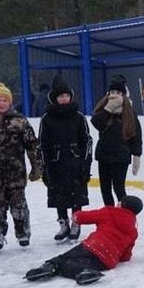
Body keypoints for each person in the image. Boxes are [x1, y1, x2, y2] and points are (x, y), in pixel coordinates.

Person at [0, 82, 43, 250]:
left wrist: (37, 166)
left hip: (15, 172)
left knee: (19, 204)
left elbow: (32, 145)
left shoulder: (19, 121)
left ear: (10, 102)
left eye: (5, 100)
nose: (1, 103)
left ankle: (23, 233)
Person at [25, 195, 143, 285]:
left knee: (64, 259)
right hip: (108, 260)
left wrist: (76, 216)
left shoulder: (108, 212)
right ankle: (85, 272)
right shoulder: (133, 231)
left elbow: (85, 217)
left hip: (91, 246)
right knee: (81, 264)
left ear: (122, 205)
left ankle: (50, 265)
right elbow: (125, 256)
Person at [39, 75, 92, 241]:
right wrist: (45, 167)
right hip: (56, 163)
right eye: (61, 96)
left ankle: (76, 222)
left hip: (75, 161)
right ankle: (63, 224)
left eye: (66, 95)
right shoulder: (47, 118)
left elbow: (87, 141)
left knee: (77, 194)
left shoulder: (78, 117)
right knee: (59, 195)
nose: (64, 98)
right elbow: (42, 144)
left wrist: (85, 164)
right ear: (55, 98)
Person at [92, 77, 142, 206]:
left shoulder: (129, 112)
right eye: (112, 92)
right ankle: (110, 216)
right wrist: (108, 108)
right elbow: (96, 123)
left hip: (121, 157)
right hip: (104, 155)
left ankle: (124, 215)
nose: (115, 95)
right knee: (105, 189)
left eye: (119, 93)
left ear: (124, 96)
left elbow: (136, 135)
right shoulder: (103, 109)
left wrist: (137, 155)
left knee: (119, 188)